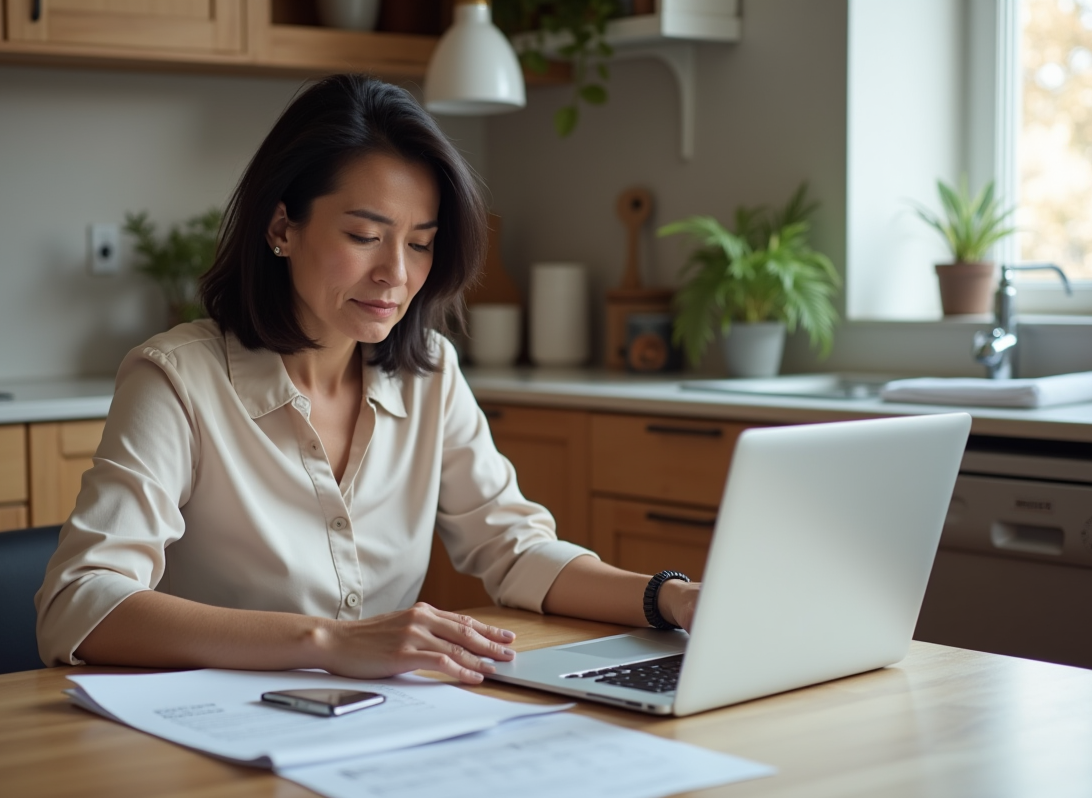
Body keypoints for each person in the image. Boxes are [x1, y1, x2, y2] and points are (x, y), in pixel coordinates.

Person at [35, 74, 699, 684]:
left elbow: (515, 548)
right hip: (209, 738)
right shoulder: (177, 381)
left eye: (419, 243)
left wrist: (671, 598)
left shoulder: (429, 373)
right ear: (281, 227)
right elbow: (80, 603)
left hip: (376, 728)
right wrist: (326, 641)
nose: (397, 274)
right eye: (363, 235)